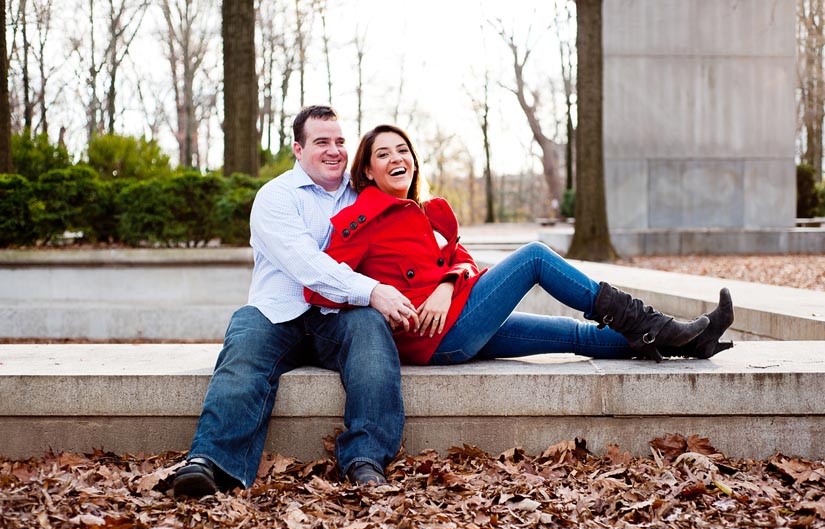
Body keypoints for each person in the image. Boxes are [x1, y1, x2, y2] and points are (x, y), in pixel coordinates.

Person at [305, 124, 735, 366]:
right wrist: (378, 299)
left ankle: (683, 343)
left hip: (462, 313)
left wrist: (446, 285)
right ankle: (657, 324)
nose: (397, 158)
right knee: (534, 258)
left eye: (403, 150)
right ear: (366, 170)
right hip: (434, 338)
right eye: (383, 154)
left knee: (575, 335)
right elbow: (318, 285)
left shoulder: (432, 210)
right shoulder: (360, 219)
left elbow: (462, 259)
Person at [172, 109, 421, 496]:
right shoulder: (276, 197)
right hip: (279, 313)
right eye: (322, 142)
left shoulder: (363, 197)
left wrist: (447, 283)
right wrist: (372, 290)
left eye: (340, 142)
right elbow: (307, 264)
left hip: (338, 318)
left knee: (371, 330)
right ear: (298, 148)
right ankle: (212, 461)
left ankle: (366, 459)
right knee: (245, 338)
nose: (334, 150)